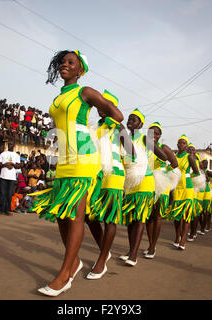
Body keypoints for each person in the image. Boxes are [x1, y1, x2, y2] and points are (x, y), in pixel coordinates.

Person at [31, 50, 123, 296]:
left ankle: (65, 274)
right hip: (64, 158)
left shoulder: (86, 92)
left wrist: (97, 130)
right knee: (62, 213)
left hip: (83, 158)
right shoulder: (59, 96)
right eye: (63, 61)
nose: (65, 65)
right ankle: (74, 262)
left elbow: (117, 115)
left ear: (80, 70)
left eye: (71, 62)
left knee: (76, 216)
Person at [85, 90, 134, 278]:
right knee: (89, 216)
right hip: (96, 175)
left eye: (106, 106)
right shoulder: (94, 126)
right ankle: (104, 251)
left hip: (114, 175)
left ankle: (102, 260)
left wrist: (122, 138)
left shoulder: (119, 127)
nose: (101, 109)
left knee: (109, 218)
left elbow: (132, 153)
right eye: (100, 106)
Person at [120, 109, 167, 263]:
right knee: (130, 220)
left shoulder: (145, 139)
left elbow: (164, 156)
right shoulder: (124, 139)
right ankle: (130, 250)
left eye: (133, 120)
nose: (129, 122)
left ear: (140, 124)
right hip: (130, 184)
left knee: (140, 218)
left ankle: (134, 255)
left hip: (144, 182)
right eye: (129, 119)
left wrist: (152, 145)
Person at [144, 122, 178, 258]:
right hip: (148, 183)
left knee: (157, 216)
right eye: (151, 132)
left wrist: (165, 171)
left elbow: (175, 164)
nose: (154, 135)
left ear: (160, 136)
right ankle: (150, 244)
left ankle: (153, 247)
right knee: (148, 217)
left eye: (157, 133)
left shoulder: (163, 148)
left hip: (161, 184)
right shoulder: (145, 146)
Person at [169, 134, 199, 250]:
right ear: (177, 145)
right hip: (177, 188)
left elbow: (196, 173)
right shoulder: (174, 156)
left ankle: (182, 240)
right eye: (180, 143)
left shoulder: (189, 157)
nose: (181, 144)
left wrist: (186, 176)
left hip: (187, 188)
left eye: (184, 143)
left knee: (186, 215)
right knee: (176, 216)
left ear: (186, 145)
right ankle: (177, 236)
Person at [0, 140, 20, 215]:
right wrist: (6, 164)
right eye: (9, 144)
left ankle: (7, 210)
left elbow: (18, 166)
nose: (10, 145)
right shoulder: (3, 154)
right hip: (3, 176)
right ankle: (0, 210)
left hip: (12, 177)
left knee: (9, 194)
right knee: (2, 194)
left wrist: (12, 164)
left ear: (14, 145)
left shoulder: (16, 155)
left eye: (11, 144)